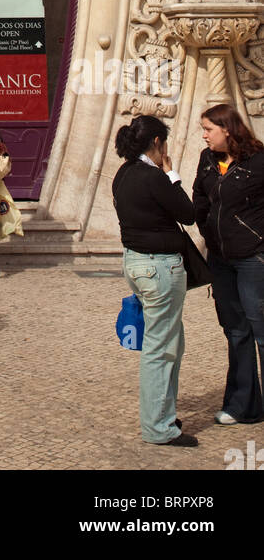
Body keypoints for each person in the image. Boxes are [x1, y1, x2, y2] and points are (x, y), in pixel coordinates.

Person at [112, 114, 198, 447]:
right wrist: (171, 173)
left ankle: (163, 412)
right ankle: (158, 427)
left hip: (136, 263)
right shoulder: (153, 177)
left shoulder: (122, 174)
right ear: (157, 143)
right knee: (161, 349)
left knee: (168, 342)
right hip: (159, 268)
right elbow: (187, 214)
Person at [192, 101, 264, 424]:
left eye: (209, 129)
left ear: (227, 129)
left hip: (253, 257)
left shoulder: (259, 161)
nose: (204, 135)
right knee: (235, 331)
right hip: (220, 259)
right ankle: (242, 406)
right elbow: (199, 199)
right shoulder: (207, 160)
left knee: (261, 330)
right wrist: (208, 230)